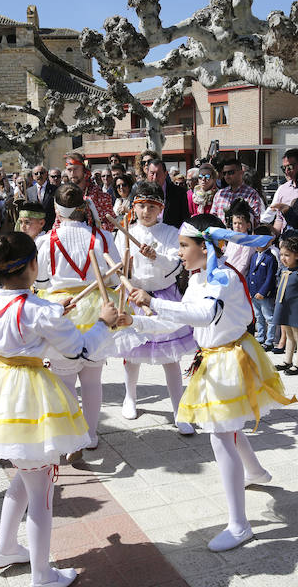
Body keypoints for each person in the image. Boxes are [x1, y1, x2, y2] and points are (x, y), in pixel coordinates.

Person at [0, 233, 111, 587]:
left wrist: (54, 313)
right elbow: (78, 350)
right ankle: (42, 575)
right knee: (41, 491)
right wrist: (105, 323)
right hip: (26, 395)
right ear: (33, 265)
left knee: (25, 474)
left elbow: (24, 323)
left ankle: (6, 548)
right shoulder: (36, 309)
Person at [127, 214, 295, 552]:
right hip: (216, 357)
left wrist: (153, 301)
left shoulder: (222, 278)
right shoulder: (199, 277)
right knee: (227, 428)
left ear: (205, 247)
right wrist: (134, 322)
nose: (179, 253)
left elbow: (204, 316)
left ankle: (239, 525)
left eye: (184, 246)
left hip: (229, 359)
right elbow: (179, 320)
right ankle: (256, 472)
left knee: (221, 434)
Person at [35, 184, 121, 452]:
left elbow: (41, 280)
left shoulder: (45, 241)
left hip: (62, 309)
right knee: (93, 379)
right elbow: (116, 278)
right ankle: (91, 435)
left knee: (65, 380)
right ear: (83, 209)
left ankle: (71, 436)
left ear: (56, 210)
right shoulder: (104, 237)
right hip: (97, 307)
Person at [115, 183, 197, 434]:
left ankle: (179, 410)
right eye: (141, 206)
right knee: (132, 355)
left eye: (152, 206)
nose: (146, 211)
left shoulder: (172, 233)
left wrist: (155, 256)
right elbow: (119, 269)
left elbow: (176, 266)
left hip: (163, 298)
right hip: (134, 297)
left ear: (160, 208)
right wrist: (123, 270)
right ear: (134, 207)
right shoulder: (124, 231)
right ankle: (130, 397)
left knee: (170, 358)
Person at [271, 236, 298, 376]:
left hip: (296, 308)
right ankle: (287, 361)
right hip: (284, 307)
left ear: (297, 255)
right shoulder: (282, 270)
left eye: (287, 255)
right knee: (289, 335)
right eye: (282, 255)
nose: (283, 258)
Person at [64, 153, 114, 232]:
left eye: (76, 169)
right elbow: (58, 223)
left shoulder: (100, 196)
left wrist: (88, 233)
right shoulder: (63, 197)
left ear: (84, 170)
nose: (72, 173)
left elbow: (110, 224)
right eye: (69, 170)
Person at [247, 225, 278, 351]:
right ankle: (260, 337)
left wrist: (263, 292)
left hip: (265, 294)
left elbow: (270, 278)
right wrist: (249, 290)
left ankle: (270, 340)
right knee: (258, 316)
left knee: (269, 317)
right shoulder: (254, 256)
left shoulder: (270, 258)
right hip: (254, 293)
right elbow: (250, 274)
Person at [209, 159, 265, 225]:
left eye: (231, 172)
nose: (227, 176)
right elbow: (213, 217)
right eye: (224, 173)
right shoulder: (219, 194)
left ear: (241, 173)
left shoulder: (251, 194)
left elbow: (255, 220)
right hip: (221, 234)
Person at [145, 159, 190, 228]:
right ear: (147, 173)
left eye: (158, 174)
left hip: (172, 235)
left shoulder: (179, 193)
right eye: (152, 173)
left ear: (165, 174)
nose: (155, 178)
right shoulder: (142, 192)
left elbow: (185, 219)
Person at [269, 148, 298, 231]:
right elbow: (279, 219)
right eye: (283, 168)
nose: (286, 171)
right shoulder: (283, 189)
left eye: (290, 167)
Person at [223, 199, 257, 276]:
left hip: (237, 277)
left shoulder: (248, 242)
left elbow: (244, 263)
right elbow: (226, 255)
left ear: (248, 225)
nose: (237, 226)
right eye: (235, 223)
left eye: (240, 223)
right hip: (226, 272)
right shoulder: (232, 239)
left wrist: (234, 275)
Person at [27, 164, 57, 229]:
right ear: (33, 176)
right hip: (35, 226)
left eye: (41, 173)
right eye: (36, 173)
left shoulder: (55, 189)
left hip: (51, 225)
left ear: (46, 174)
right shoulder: (29, 191)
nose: (39, 175)